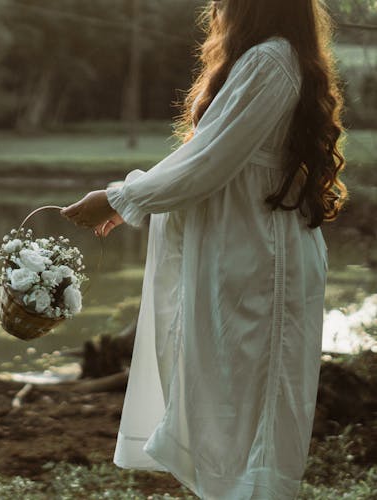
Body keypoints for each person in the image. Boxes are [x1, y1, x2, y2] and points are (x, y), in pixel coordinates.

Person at [60, 0, 347, 498]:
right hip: (237, 256)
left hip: (259, 263)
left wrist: (117, 198)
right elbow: (200, 154)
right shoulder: (262, 58)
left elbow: (209, 162)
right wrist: (123, 198)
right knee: (224, 406)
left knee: (252, 414)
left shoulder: (271, 61)